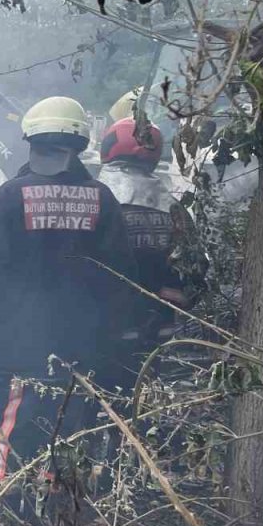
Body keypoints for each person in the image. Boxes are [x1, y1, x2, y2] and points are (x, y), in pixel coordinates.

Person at [0, 96, 135, 497]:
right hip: (79, 342)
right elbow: (120, 277)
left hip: (16, 342)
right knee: (64, 425)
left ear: (30, 138)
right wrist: (109, 336)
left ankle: (0, 512)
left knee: (6, 425)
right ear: (80, 144)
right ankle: (52, 514)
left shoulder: (10, 196)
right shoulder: (102, 199)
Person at [96, 117, 187, 387]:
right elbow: (195, 267)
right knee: (144, 395)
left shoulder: (98, 199)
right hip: (161, 326)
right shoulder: (174, 207)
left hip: (109, 323)